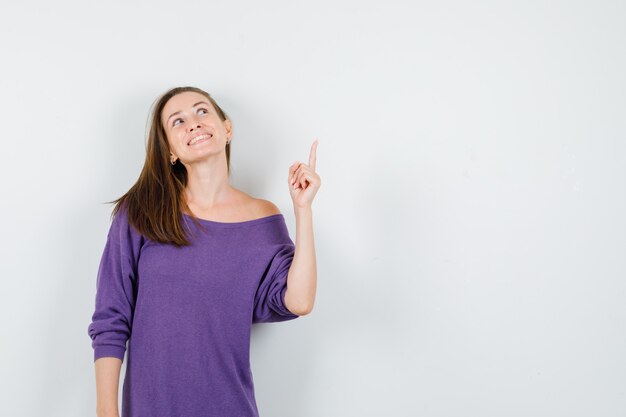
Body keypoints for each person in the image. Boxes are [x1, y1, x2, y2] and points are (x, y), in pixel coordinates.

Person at [87, 86, 320, 417]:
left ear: (227, 129)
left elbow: (299, 301)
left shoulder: (262, 219)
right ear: (170, 150)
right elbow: (111, 318)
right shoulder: (141, 212)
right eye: (177, 121)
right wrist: (106, 412)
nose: (193, 124)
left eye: (201, 112)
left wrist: (303, 210)